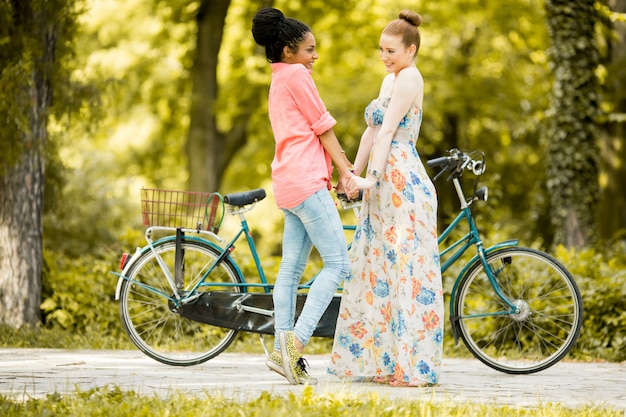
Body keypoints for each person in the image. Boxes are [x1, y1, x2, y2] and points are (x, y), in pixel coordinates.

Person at [328, 10, 444, 387]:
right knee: (377, 268)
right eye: (381, 49)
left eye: (391, 50)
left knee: (406, 270)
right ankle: (382, 361)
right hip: (380, 182)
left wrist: (371, 179)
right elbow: (370, 132)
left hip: (402, 180)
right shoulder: (389, 77)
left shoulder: (410, 77)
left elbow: (390, 129)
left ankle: (413, 369)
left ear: (411, 49)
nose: (385, 56)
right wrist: (351, 174)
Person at [251, 7, 354, 385]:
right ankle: (294, 344)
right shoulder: (297, 74)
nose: (314, 57)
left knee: (291, 271)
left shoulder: (278, 78)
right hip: (308, 182)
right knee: (339, 265)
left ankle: (282, 352)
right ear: (289, 50)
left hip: (288, 184)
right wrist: (347, 171)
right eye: (310, 49)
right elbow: (323, 126)